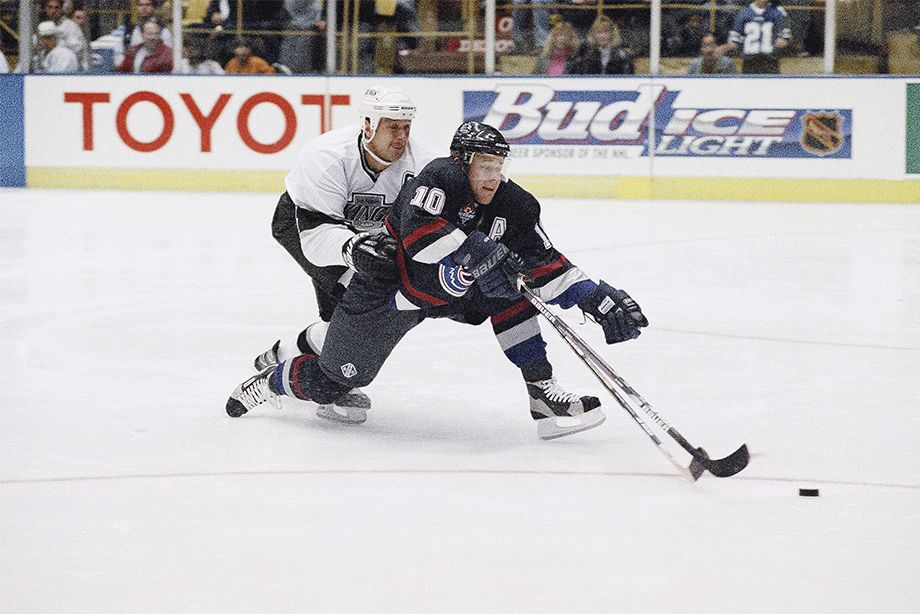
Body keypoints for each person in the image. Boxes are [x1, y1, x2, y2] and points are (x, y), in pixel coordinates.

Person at [227, 122, 649, 440]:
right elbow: (416, 239)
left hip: (452, 288)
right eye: (484, 165)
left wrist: (593, 297)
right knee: (335, 379)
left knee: (513, 289)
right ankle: (272, 378)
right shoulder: (436, 179)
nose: (491, 176)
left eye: (498, 166)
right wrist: (475, 253)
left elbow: (545, 261)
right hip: (392, 292)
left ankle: (543, 395)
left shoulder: (515, 203)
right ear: (461, 162)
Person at [246, 85, 439, 422]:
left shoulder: (423, 163)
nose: (401, 137)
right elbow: (318, 234)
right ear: (368, 126)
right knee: (355, 303)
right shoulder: (327, 157)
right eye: (392, 127)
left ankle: (285, 352)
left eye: (406, 128)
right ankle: (333, 383)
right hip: (303, 226)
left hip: (360, 235)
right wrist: (352, 251)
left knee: (358, 306)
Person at [722, 0, 790, 73]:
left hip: (770, 60)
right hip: (750, 61)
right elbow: (736, 37)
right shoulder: (744, 13)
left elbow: (785, 35)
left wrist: (782, 40)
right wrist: (726, 47)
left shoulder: (776, 12)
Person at [112, 0, 173, 67]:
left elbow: (168, 55)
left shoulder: (163, 31)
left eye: (147, 5)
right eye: (140, 5)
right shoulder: (129, 30)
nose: (144, 8)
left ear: (153, 8)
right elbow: (119, 51)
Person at [569, 15, 634, 75]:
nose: (602, 36)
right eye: (599, 32)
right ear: (593, 35)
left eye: (606, 32)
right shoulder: (587, 56)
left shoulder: (622, 55)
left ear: (612, 34)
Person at [41, 0, 88, 69]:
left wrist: (58, 46)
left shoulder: (71, 26)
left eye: (56, 8)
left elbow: (77, 49)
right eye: (50, 7)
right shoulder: (43, 26)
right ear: (45, 8)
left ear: (61, 9)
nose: (53, 11)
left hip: (71, 68)